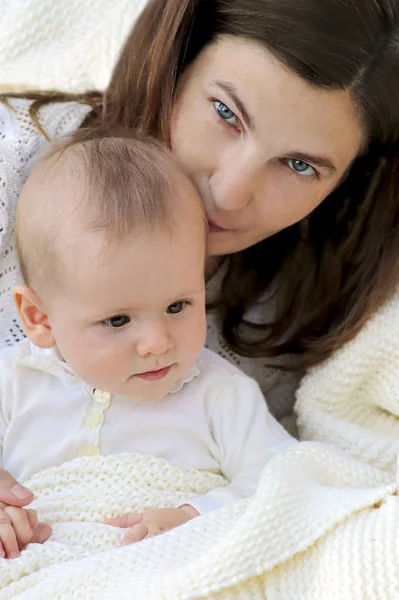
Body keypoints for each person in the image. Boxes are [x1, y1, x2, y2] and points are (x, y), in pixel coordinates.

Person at [0, 0, 399, 589]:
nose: (231, 194)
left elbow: (288, 490)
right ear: (177, 62)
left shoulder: (298, 316)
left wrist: (200, 519)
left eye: (298, 164)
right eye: (225, 113)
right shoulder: (19, 166)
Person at [0, 131, 293, 559]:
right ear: (40, 319)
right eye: (117, 320)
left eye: (178, 305)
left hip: (171, 567)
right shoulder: (15, 382)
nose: (157, 343)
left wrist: (196, 514)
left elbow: (282, 482)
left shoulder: (220, 393)